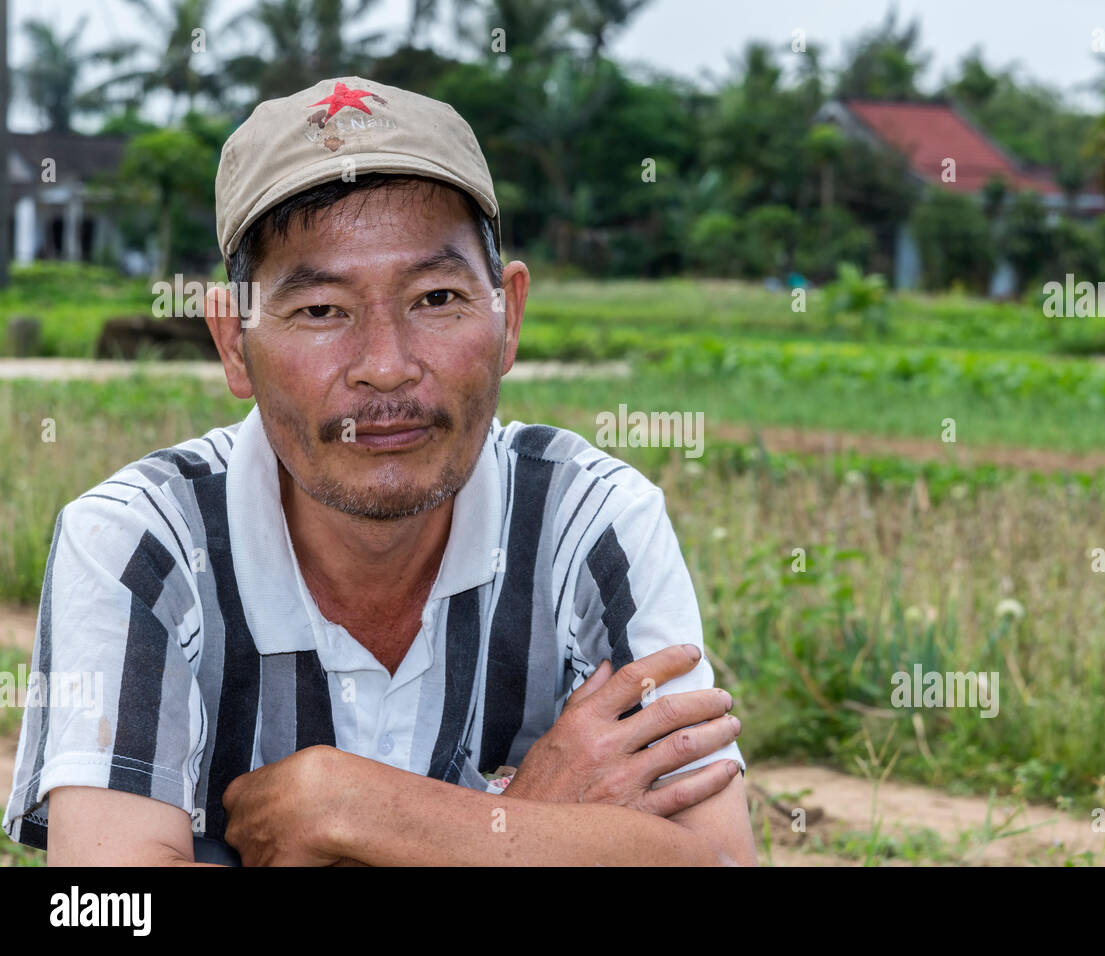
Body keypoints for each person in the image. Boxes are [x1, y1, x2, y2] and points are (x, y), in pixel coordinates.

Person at [2, 76, 755, 866]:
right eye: (321, 310)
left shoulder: (591, 521)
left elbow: (722, 864)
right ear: (233, 345)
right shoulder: (139, 544)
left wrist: (345, 803)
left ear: (509, 318)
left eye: (435, 297)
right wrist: (523, 821)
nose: (387, 370)